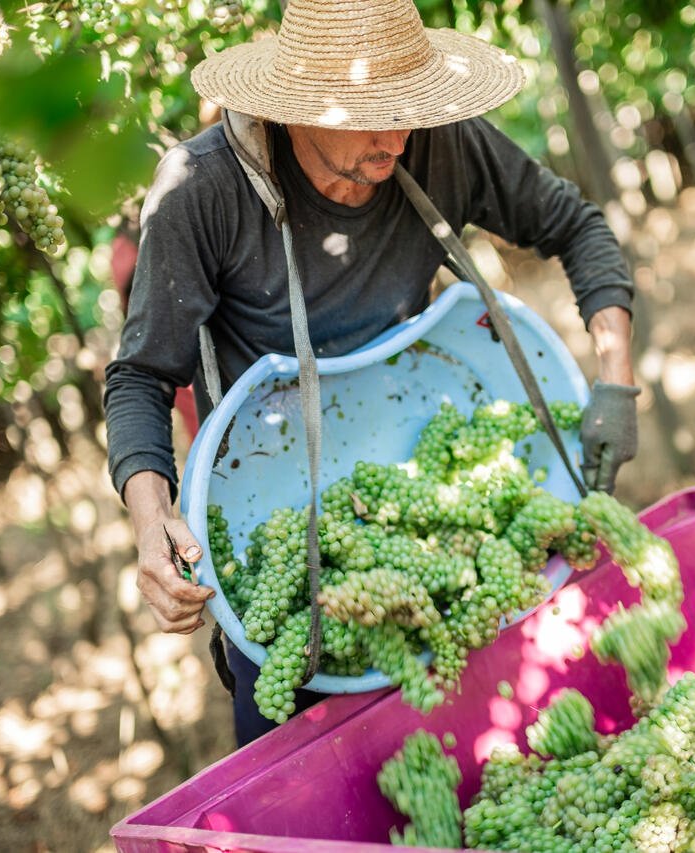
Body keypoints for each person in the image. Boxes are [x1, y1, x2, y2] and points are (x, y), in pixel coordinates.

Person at [103, 0, 640, 746]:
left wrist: (615, 378)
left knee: (506, 736)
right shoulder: (204, 190)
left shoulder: (438, 145)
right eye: (368, 115)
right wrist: (148, 522)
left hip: (421, 487)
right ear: (293, 110)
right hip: (274, 517)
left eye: (407, 110)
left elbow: (575, 225)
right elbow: (137, 377)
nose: (397, 136)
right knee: (310, 767)